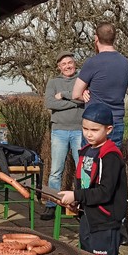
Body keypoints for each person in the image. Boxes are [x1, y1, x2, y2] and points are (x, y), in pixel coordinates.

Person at [60, 102, 128, 255]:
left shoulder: (111, 155)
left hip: (105, 224)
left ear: (109, 130)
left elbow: (105, 192)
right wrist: (76, 202)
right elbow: (86, 184)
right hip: (88, 219)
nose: (88, 134)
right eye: (85, 128)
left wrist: (78, 195)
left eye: (94, 130)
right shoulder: (88, 150)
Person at [72, 22, 128, 146]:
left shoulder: (93, 62)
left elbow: (76, 94)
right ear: (114, 38)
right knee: (111, 163)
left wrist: (85, 95)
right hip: (116, 121)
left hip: (94, 123)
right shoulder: (125, 63)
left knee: (90, 163)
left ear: (96, 38)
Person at [41, 51, 84, 221]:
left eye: (70, 62)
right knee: (56, 171)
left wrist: (65, 95)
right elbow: (50, 103)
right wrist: (74, 99)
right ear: (59, 67)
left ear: (75, 63)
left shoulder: (81, 81)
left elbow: (84, 100)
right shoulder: (53, 82)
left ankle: (79, 204)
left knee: (81, 171)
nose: (67, 66)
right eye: (64, 64)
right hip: (59, 130)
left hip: (79, 130)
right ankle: (52, 204)